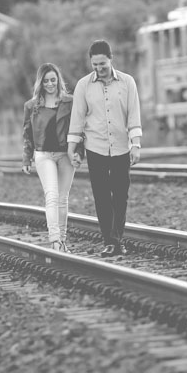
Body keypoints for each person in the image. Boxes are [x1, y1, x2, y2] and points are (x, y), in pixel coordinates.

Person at [68, 40, 142, 257]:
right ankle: (110, 242)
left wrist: (135, 145)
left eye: (102, 64)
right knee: (101, 195)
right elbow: (78, 118)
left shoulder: (128, 83)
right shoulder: (84, 85)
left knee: (120, 195)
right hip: (95, 146)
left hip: (121, 147)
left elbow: (134, 115)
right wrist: (72, 148)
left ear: (111, 59)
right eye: (95, 65)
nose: (99, 69)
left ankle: (117, 238)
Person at [22, 63, 78, 252]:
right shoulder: (31, 106)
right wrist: (26, 158)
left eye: (53, 80)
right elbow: (27, 134)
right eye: (45, 81)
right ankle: (54, 241)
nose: (50, 84)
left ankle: (62, 242)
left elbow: (78, 129)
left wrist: (79, 152)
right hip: (43, 155)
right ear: (40, 83)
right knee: (52, 196)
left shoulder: (70, 102)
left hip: (65, 155)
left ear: (58, 80)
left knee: (63, 199)